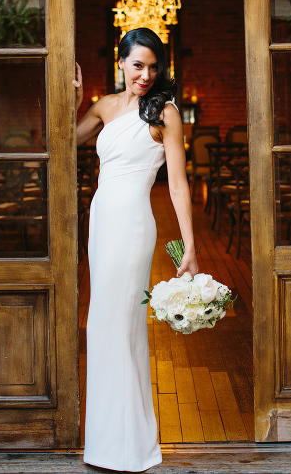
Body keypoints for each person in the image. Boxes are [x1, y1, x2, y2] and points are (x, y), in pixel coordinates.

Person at [73, 27, 199, 472]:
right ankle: (104, 442)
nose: (144, 75)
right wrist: (70, 95)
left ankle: (130, 445)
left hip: (132, 226)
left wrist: (189, 247)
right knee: (101, 324)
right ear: (121, 61)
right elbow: (68, 140)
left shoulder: (165, 112)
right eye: (137, 64)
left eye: (152, 66)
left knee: (124, 326)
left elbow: (179, 185)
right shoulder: (105, 106)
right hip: (102, 219)